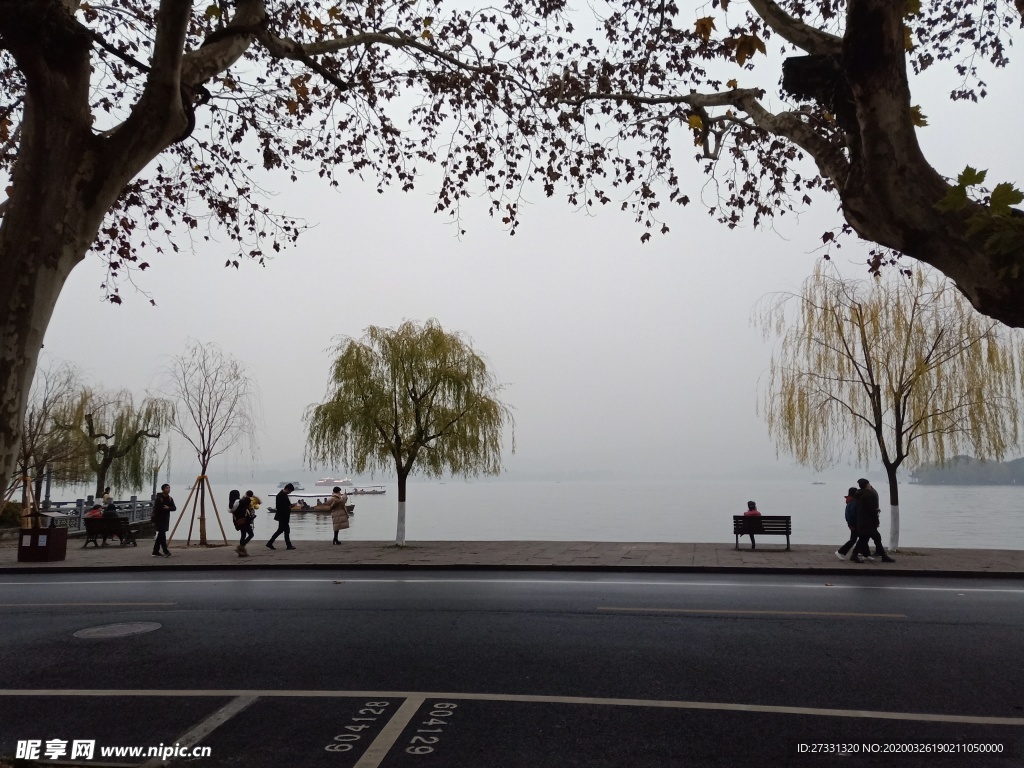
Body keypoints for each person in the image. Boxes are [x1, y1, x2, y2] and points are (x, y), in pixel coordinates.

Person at [851, 478, 895, 563]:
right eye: (868, 484)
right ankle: (883, 556)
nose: (870, 485)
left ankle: (855, 555)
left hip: (862, 521)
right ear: (866, 485)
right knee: (875, 538)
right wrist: (876, 520)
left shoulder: (859, 495)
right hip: (869, 522)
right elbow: (872, 510)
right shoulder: (869, 495)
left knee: (865, 538)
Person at [267, 483, 296, 550]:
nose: (290, 493)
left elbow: (287, 504)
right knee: (287, 530)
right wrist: (288, 508)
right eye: (290, 491)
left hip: (284, 516)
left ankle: (270, 543)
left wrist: (291, 505)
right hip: (282, 516)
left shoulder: (284, 495)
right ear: (287, 489)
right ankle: (288, 545)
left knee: (280, 531)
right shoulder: (280, 495)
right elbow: (279, 506)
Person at [835, 487, 860, 560]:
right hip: (854, 523)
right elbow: (852, 514)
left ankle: (865, 553)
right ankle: (841, 552)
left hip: (852, 523)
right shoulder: (853, 502)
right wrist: (852, 523)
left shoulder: (850, 501)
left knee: (860, 538)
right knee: (854, 539)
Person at [151, 483, 174, 558]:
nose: (168, 489)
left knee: (160, 535)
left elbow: (174, 508)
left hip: (166, 519)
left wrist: (168, 508)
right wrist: (164, 508)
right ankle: (165, 551)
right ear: (163, 489)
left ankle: (155, 551)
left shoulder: (170, 498)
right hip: (158, 519)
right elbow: (157, 508)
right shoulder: (159, 498)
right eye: (167, 488)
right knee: (162, 535)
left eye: (169, 488)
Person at [233, 492, 254, 556]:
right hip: (245, 524)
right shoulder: (245, 509)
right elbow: (247, 518)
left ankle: (241, 552)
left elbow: (235, 518)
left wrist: (236, 525)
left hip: (240, 524)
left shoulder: (237, 509)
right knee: (251, 534)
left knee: (243, 535)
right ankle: (241, 546)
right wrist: (252, 517)